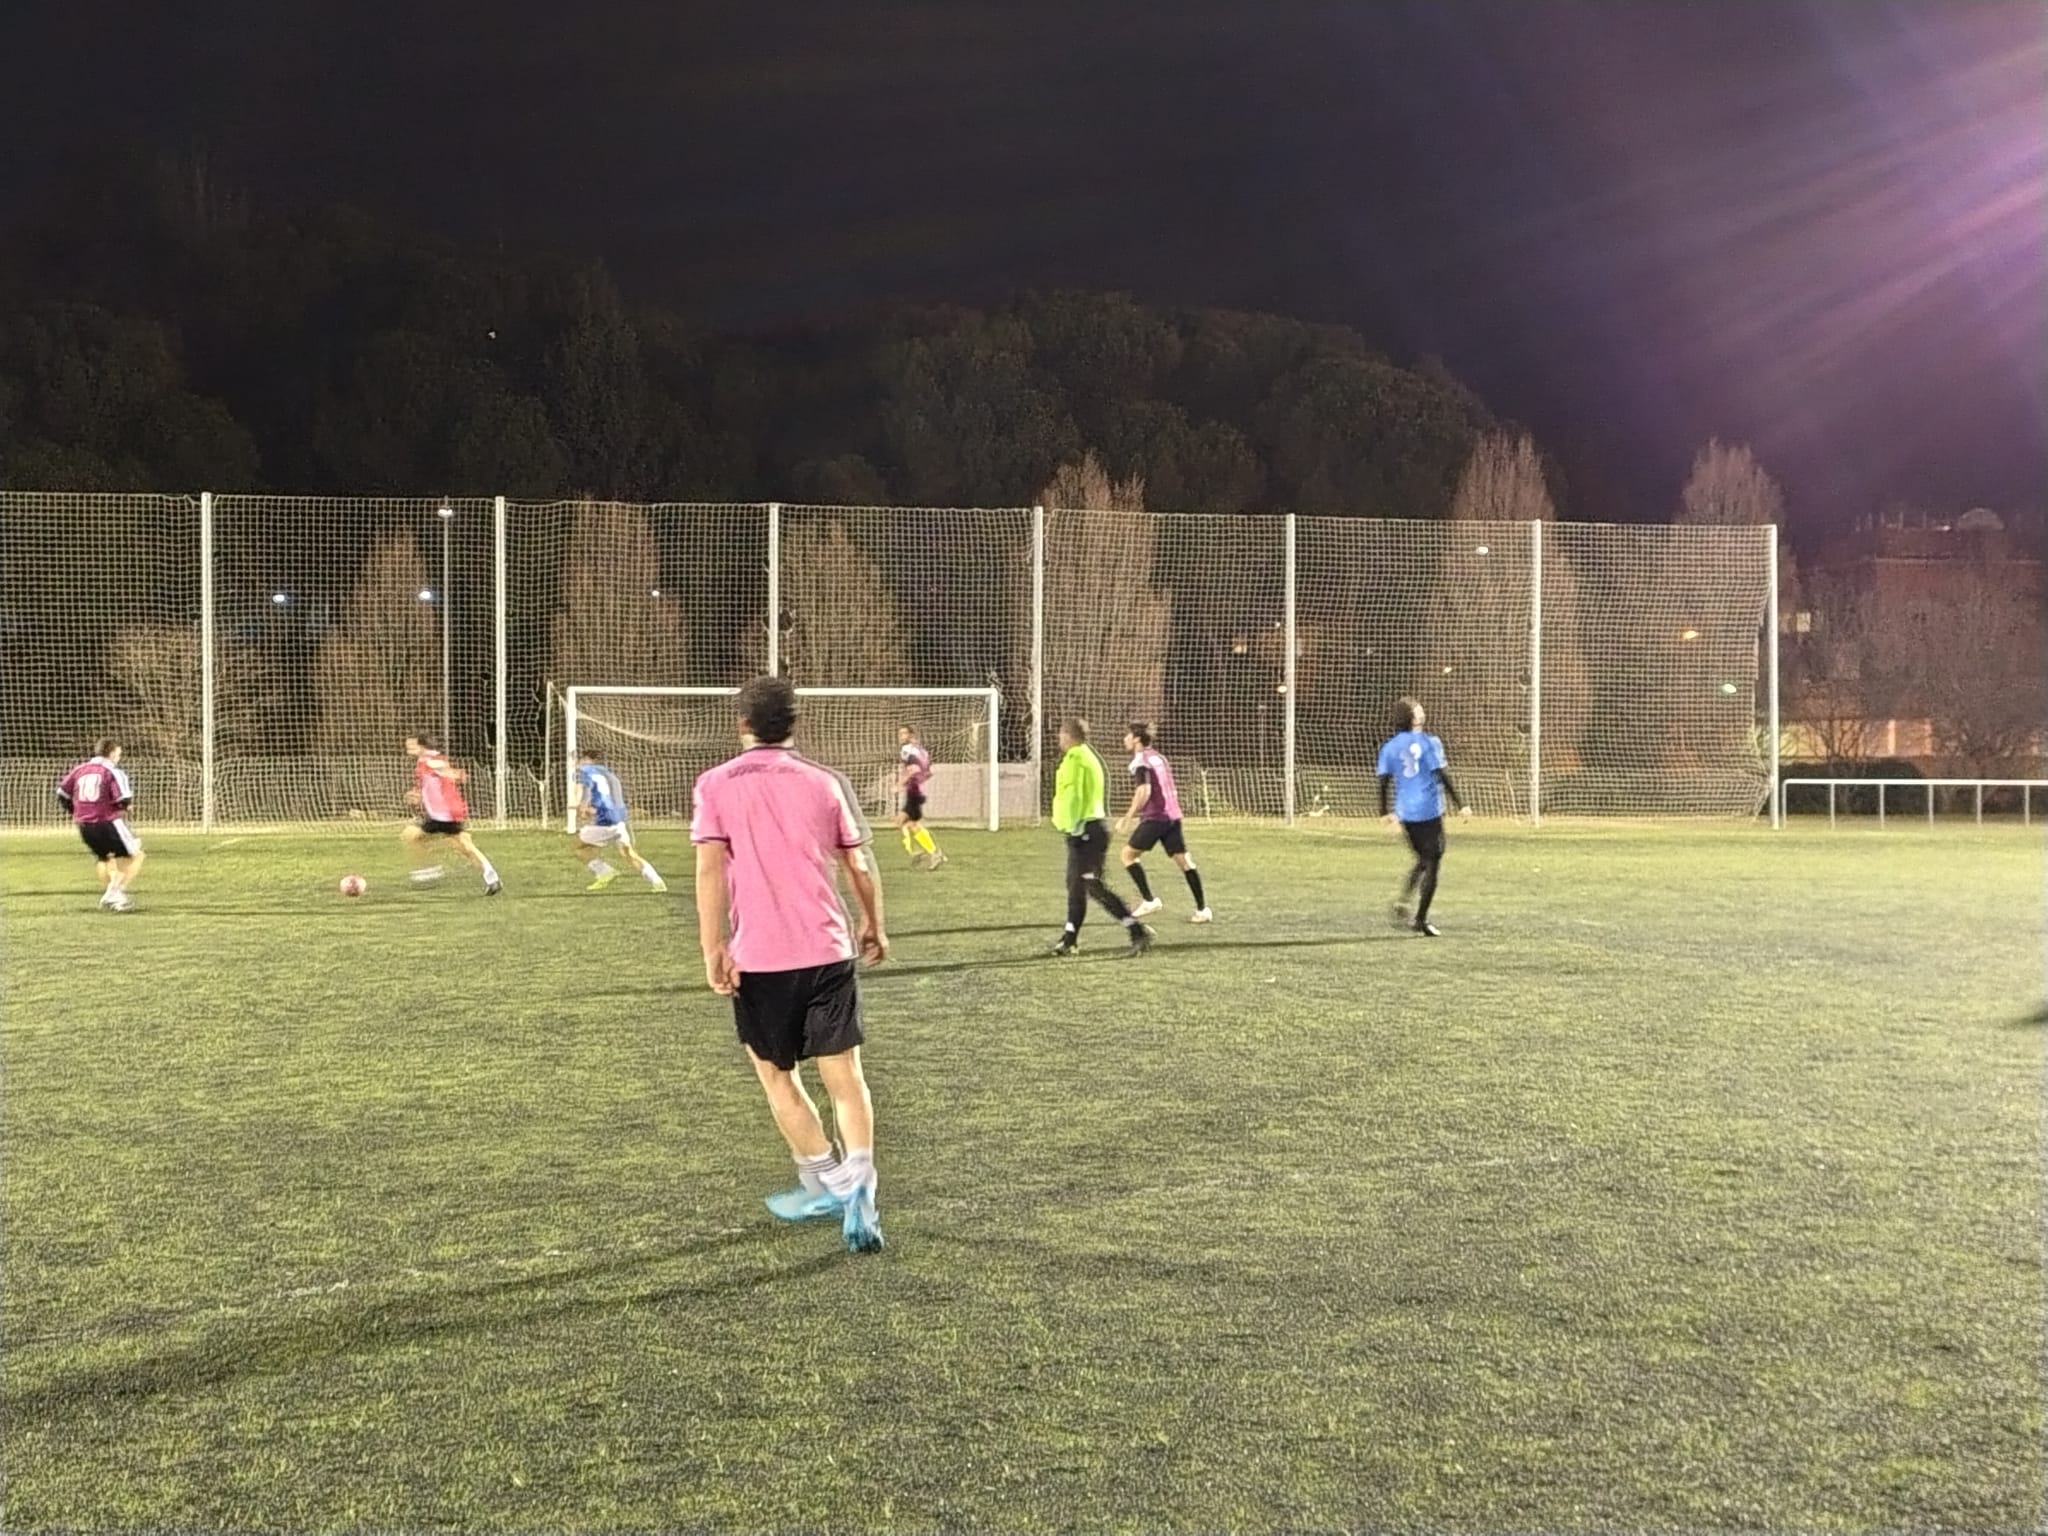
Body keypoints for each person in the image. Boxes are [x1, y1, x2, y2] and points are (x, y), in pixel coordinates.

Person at [692, 676, 888, 1254]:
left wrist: (713, 946)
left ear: (743, 724)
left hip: (761, 958)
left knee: (777, 1076)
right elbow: (858, 864)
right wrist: (873, 922)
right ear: (793, 725)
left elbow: (709, 870)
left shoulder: (715, 784)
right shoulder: (825, 783)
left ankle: (825, 1180)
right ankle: (860, 1182)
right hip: (827, 949)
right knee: (845, 1077)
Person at [1049, 718, 1152, 957]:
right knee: (1077, 886)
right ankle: (1070, 939)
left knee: (1092, 886)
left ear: (1068, 735)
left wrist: (1072, 827)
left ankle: (1137, 930)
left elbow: (1073, 795)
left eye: (1061, 734)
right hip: (1088, 830)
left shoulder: (1076, 758)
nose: (1059, 739)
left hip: (1085, 832)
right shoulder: (1088, 755)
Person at [1375, 697, 1470, 937]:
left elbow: (1383, 781)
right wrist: (1461, 804)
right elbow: (1442, 774)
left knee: (1424, 858)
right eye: (1419, 710)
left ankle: (1403, 901)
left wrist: (1384, 812)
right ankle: (1420, 919)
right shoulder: (1430, 742)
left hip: (1406, 813)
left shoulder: (1389, 746)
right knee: (1433, 862)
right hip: (1429, 811)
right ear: (1415, 718)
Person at [1115, 723, 1212, 924]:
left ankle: (1149, 901)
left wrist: (1127, 817)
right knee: (1185, 862)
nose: (1125, 739)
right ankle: (1202, 909)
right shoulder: (1159, 757)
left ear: (1136, 739)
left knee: (1127, 855)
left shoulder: (1141, 761)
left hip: (1156, 817)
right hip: (1173, 816)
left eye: (1128, 735)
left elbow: (1144, 791)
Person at [401, 733, 503, 895]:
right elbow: (433, 784)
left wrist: (454, 774)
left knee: (410, 835)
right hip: (450, 813)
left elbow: (443, 769)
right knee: (465, 846)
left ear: (422, 746)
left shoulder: (429, 759)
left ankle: (429, 872)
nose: (408, 749)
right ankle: (492, 879)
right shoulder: (425, 761)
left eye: (412, 746)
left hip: (443, 814)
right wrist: (417, 795)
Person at [56, 737, 144, 912]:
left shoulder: (79, 770)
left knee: (105, 858)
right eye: (118, 754)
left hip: (83, 824)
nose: (118, 758)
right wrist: (127, 808)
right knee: (135, 854)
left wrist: (76, 810)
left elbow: (61, 793)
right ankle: (114, 892)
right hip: (107, 821)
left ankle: (116, 897)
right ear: (112, 753)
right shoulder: (112, 772)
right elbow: (123, 799)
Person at [569, 747, 666, 892]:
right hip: (621, 820)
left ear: (588, 760)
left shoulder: (586, 772)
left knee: (578, 847)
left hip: (606, 822)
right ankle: (658, 882)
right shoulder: (609, 773)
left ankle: (605, 872)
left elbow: (585, 795)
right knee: (629, 854)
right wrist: (592, 810)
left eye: (581, 760)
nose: (579, 763)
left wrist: (581, 808)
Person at [895, 725, 945, 869]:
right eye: (899, 733)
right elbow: (928, 773)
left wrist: (899, 784)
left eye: (904, 733)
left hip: (913, 791)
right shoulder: (921, 750)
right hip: (916, 790)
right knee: (903, 822)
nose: (900, 736)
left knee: (910, 824)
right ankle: (917, 852)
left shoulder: (906, 750)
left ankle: (932, 853)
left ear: (911, 735)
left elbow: (913, 769)